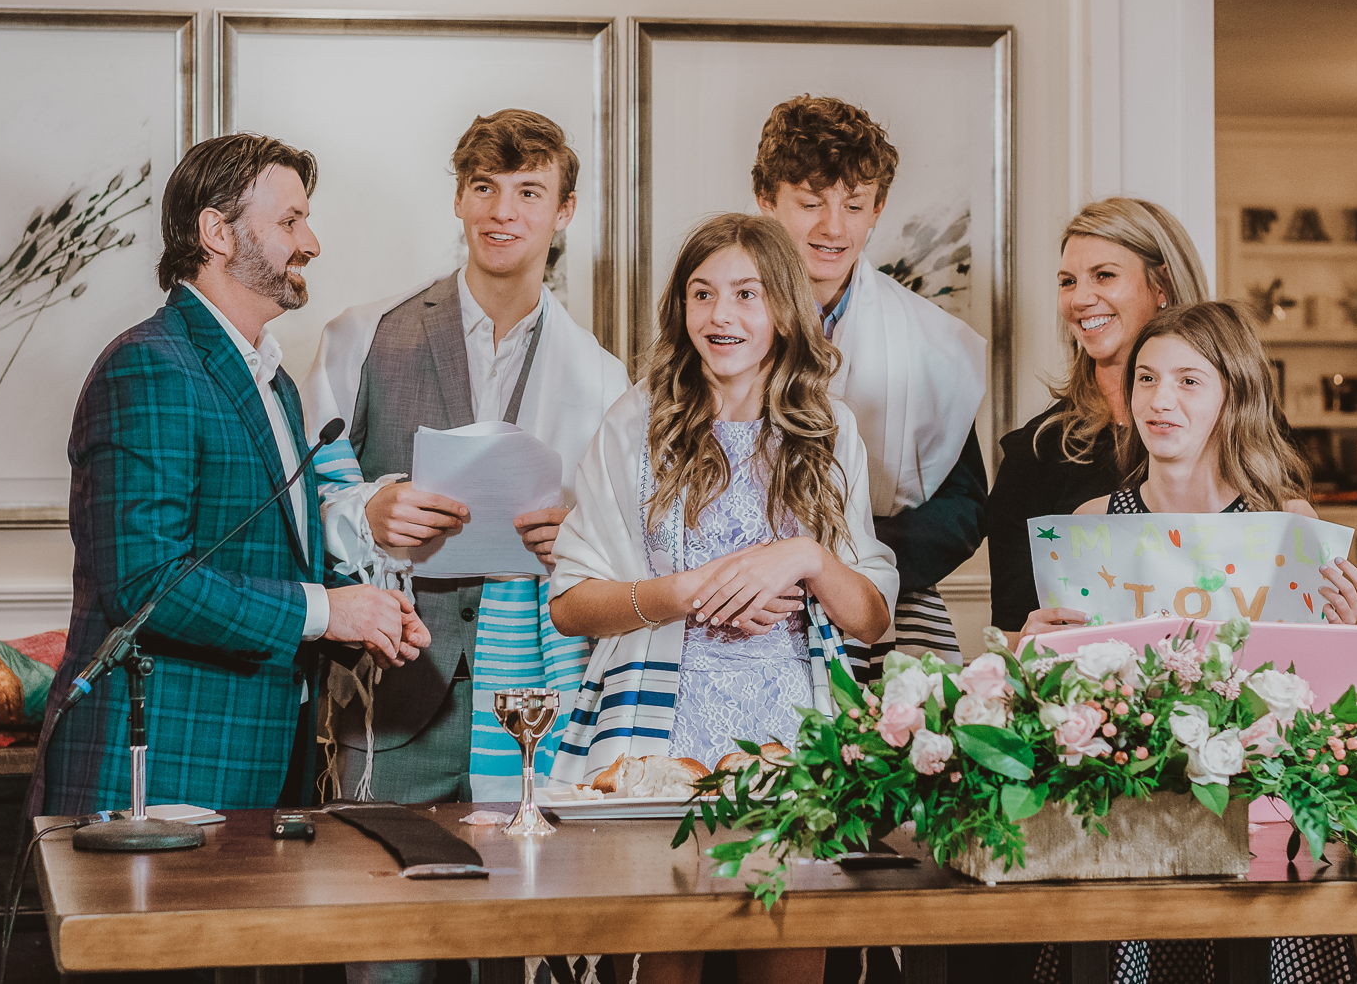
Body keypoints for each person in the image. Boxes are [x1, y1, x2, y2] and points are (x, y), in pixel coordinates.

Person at [548, 212, 897, 984]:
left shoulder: (829, 431)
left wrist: (805, 558)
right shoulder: (635, 425)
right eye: (702, 293)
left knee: (789, 954)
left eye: (746, 293)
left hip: (792, 736)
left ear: (784, 309)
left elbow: (873, 619)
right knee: (664, 957)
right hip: (661, 738)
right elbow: (569, 603)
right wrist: (685, 592)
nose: (720, 315)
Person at [40, 133, 428, 817]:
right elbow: (146, 584)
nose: (311, 243)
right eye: (290, 221)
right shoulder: (148, 366)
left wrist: (363, 613)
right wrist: (325, 612)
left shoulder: (275, 384)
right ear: (216, 232)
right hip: (162, 767)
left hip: (265, 767)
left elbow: (268, 557)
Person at [1027, 300, 1357, 984]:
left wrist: (1345, 632)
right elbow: (1070, 709)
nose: (1161, 399)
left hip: (1258, 824)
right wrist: (1037, 654)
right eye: (1147, 378)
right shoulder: (1095, 524)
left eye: (1189, 381)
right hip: (1129, 825)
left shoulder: (1288, 525)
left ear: (1232, 395)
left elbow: (1320, 712)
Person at [301, 108, 630, 809]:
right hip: (385, 697)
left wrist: (579, 540)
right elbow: (298, 506)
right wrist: (368, 512)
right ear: (459, 199)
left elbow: (629, 546)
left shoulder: (605, 379)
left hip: (538, 711)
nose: (502, 212)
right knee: (368, 871)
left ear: (565, 211)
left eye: (529, 192)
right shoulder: (360, 337)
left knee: (527, 879)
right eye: (484, 187)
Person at [752, 95, 986, 675]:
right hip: (746, 605)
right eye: (810, 203)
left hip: (891, 601)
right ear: (765, 199)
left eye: (854, 205)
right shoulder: (719, 325)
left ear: (878, 207)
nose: (834, 228)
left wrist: (843, 568)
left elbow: (962, 507)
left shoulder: (933, 342)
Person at [986, 197, 1210, 635]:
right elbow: (1010, 639)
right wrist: (1026, 642)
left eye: (1104, 275)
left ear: (1162, 286)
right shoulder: (1034, 456)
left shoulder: (1242, 431)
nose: (1080, 299)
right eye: (1067, 282)